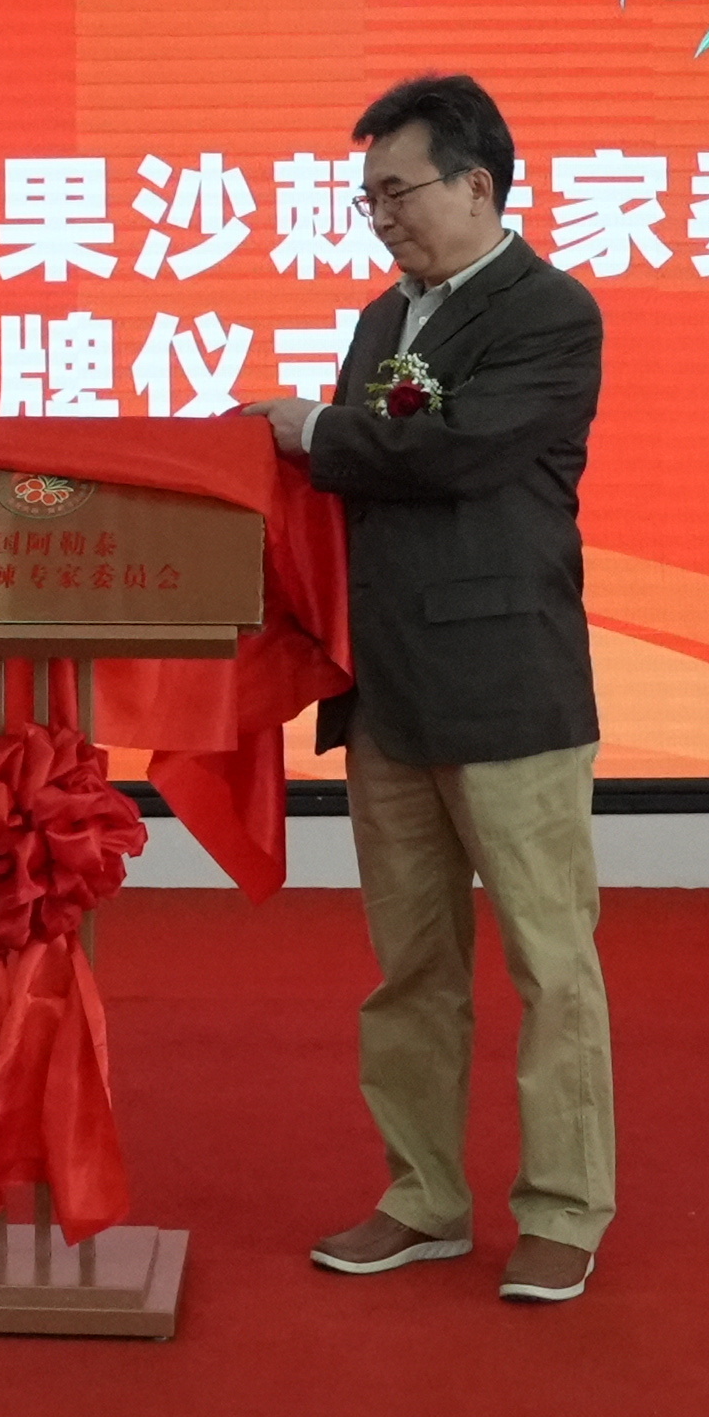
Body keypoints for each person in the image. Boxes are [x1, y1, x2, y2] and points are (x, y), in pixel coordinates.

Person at [252, 71, 614, 1304]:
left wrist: (314, 430)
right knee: (410, 966)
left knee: (550, 965)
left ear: (476, 183)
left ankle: (563, 1208)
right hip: (390, 689)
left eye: (397, 191)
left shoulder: (548, 311)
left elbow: (459, 453)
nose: (382, 216)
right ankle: (423, 1197)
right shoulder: (380, 321)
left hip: (508, 686)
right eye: (369, 199)